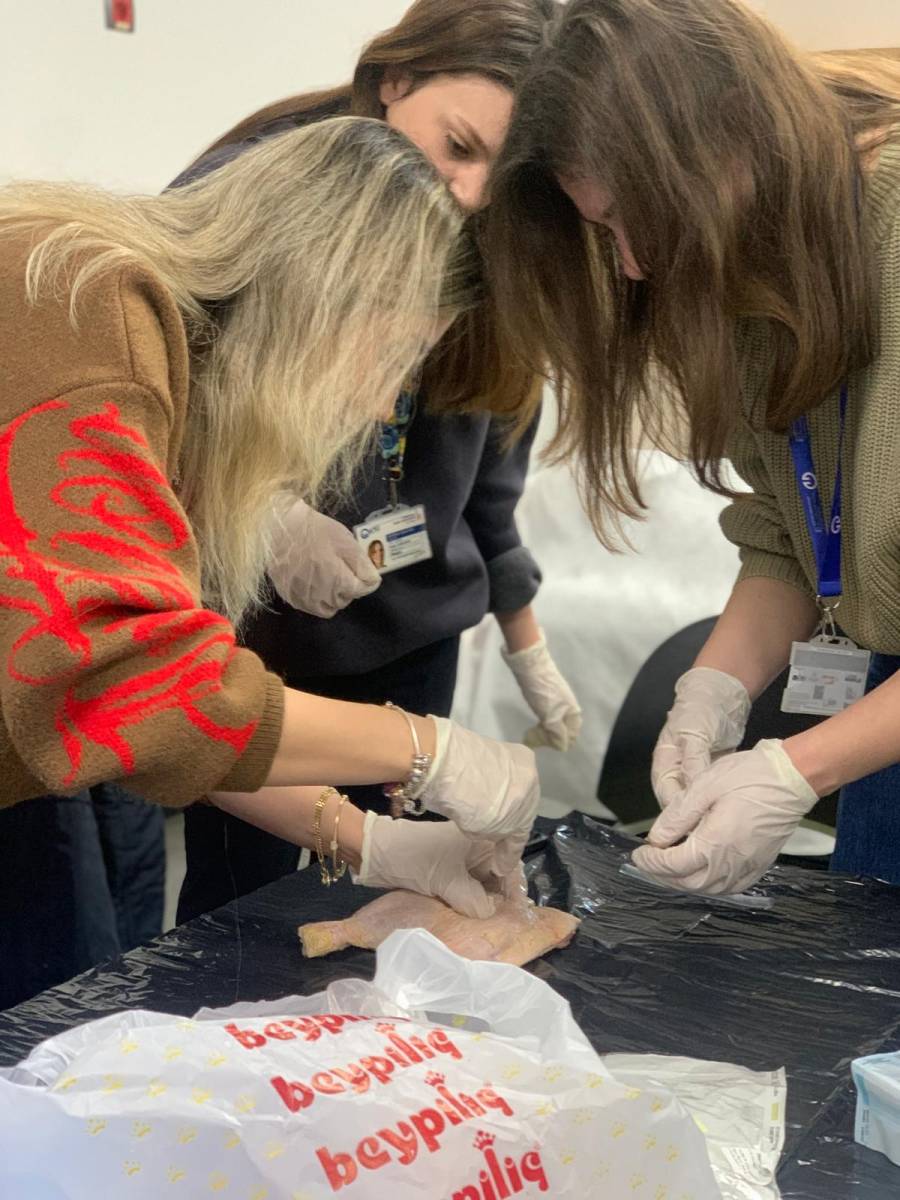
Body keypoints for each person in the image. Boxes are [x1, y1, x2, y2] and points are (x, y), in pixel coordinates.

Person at [0, 116, 542, 978]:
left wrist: (371, 840)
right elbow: (129, 680)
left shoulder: (176, 375)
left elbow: (151, 721)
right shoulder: (89, 305)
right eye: (396, 356)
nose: (382, 407)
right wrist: (424, 747)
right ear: (324, 296)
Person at [173, 0, 582, 924]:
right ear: (395, 78)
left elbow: (492, 459)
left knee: (408, 911)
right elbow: (175, 722)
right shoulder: (259, 191)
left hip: (405, 634)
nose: (471, 195)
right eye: (459, 146)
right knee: (246, 918)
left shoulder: (489, 226)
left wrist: (523, 640)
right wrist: (264, 515)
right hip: (259, 644)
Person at [487, 0, 900, 892]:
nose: (633, 264)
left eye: (634, 216)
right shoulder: (755, 256)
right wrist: (712, 691)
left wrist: (795, 771)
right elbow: (790, 532)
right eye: (605, 232)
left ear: (724, 143)